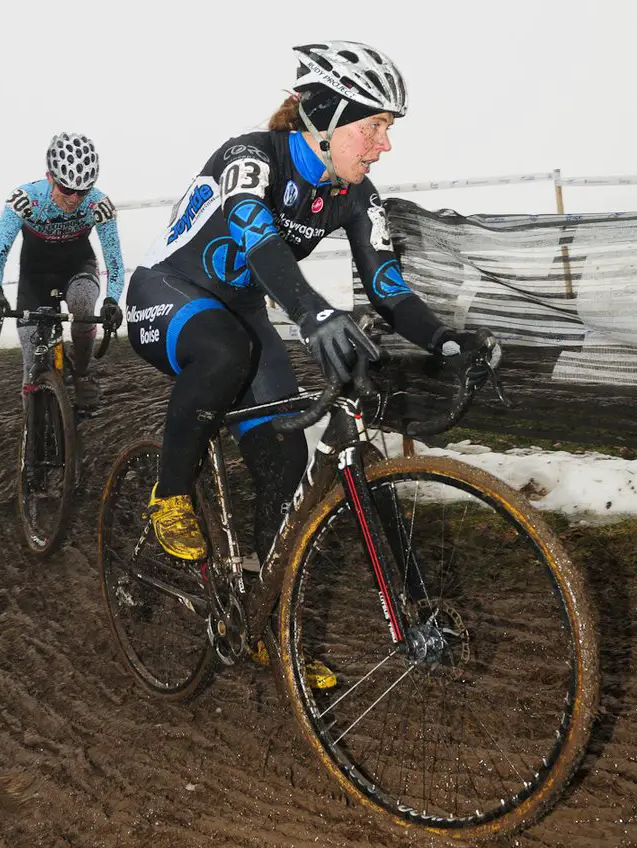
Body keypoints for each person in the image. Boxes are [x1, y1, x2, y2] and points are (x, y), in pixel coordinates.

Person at [127, 40, 499, 567]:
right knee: (223, 350)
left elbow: (388, 287)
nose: (383, 145)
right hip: (167, 291)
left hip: (243, 311)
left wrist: (446, 338)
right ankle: (169, 493)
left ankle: (265, 622)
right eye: (373, 126)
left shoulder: (357, 196)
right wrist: (310, 311)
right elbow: (257, 237)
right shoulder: (251, 155)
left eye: (388, 129)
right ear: (323, 120)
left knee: (287, 457)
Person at [0, 132, 125, 410]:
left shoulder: (99, 205)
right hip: (35, 279)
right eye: (67, 189)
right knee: (31, 370)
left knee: (83, 306)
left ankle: (82, 373)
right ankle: (33, 439)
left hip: (78, 269)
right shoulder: (25, 199)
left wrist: (111, 301)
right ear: (50, 177)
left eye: (82, 191)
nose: (74, 198)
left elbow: (115, 262)